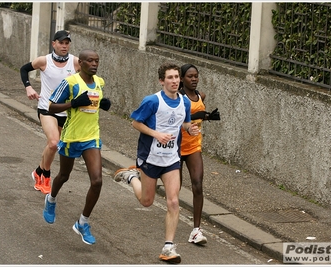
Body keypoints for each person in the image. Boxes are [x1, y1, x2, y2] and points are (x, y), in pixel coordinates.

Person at [113, 63, 199, 264]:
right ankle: (132, 176)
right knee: (146, 201)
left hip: (171, 159)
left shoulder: (185, 103)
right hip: (150, 158)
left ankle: (168, 247)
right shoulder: (152, 101)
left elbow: (184, 122)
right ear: (162, 81)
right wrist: (156, 134)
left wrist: (189, 129)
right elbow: (135, 122)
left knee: (173, 201)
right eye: (170, 78)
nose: (175, 81)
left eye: (177, 77)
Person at [43, 49, 111, 245]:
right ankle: (51, 200)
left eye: (97, 60)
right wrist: (73, 103)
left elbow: (94, 105)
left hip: (92, 137)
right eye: (90, 60)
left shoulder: (99, 82)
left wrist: (103, 104)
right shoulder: (70, 82)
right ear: (80, 63)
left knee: (97, 181)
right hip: (71, 138)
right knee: (64, 176)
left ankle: (82, 222)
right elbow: (51, 106)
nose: (94, 64)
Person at [19, 30, 80, 194]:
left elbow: (87, 79)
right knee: (54, 142)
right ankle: (45, 176)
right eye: (61, 43)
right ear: (54, 43)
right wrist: (28, 87)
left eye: (67, 43)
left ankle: (38, 170)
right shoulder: (44, 61)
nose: (64, 46)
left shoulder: (75, 63)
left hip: (65, 112)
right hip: (46, 108)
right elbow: (24, 69)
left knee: (53, 146)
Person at [178, 63, 220, 245]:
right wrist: (199, 116)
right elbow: (174, 119)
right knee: (174, 188)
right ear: (181, 79)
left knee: (198, 184)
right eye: (190, 76)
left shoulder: (200, 96)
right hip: (176, 147)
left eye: (196, 76)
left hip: (194, 147)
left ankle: (196, 230)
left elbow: (199, 115)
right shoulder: (177, 97)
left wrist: (208, 116)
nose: (194, 79)